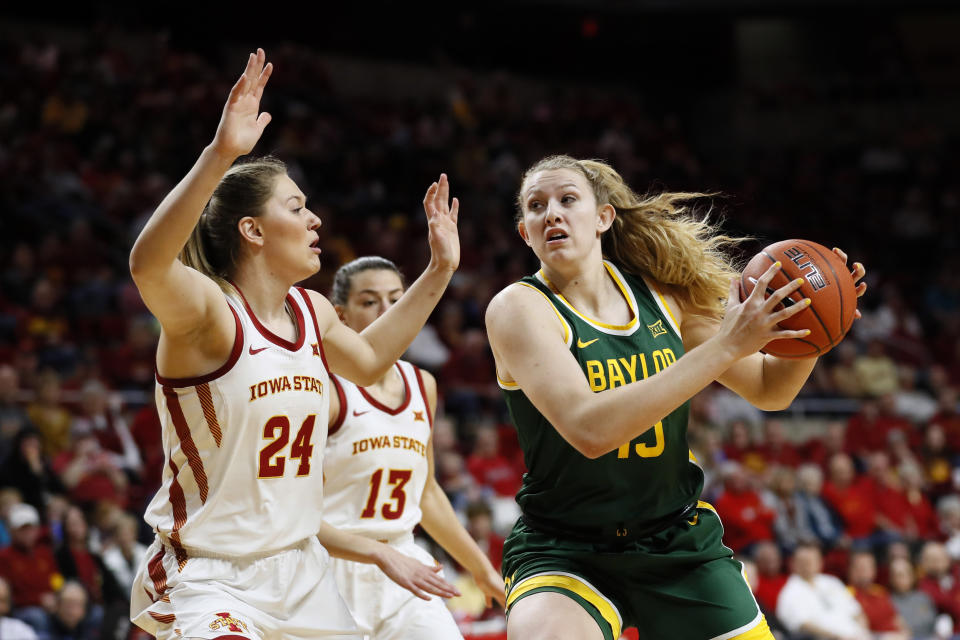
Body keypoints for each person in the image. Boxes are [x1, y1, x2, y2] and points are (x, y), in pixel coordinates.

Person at [126, 49, 460, 640]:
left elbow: (371, 359)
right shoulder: (211, 314)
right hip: (211, 576)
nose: (316, 223)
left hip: (304, 572)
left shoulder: (312, 312)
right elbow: (148, 264)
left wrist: (437, 271)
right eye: (298, 207)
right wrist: (221, 155)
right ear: (252, 231)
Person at [484, 155, 867, 640]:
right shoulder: (519, 307)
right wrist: (727, 344)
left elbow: (771, 390)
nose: (552, 213)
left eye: (567, 199)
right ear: (526, 233)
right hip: (566, 547)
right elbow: (590, 430)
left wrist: (812, 330)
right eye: (536, 206)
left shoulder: (662, 298)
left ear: (603, 218)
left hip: (675, 539)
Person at [322, 256, 505, 639]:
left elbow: (426, 494)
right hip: (328, 568)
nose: (388, 312)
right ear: (339, 316)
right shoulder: (323, 386)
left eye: (396, 299)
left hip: (405, 564)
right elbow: (290, 509)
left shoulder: (423, 384)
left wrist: (481, 567)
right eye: (370, 301)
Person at [776, 542, 871, 640]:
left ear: (820, 561)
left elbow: (857, 613)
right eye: (804, 561)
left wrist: (863, 633)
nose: (809, 565)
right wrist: (837, 637)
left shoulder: (832, 582)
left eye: (813, 560)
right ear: (794, 563)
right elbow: (802, 625)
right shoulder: (790, 592)